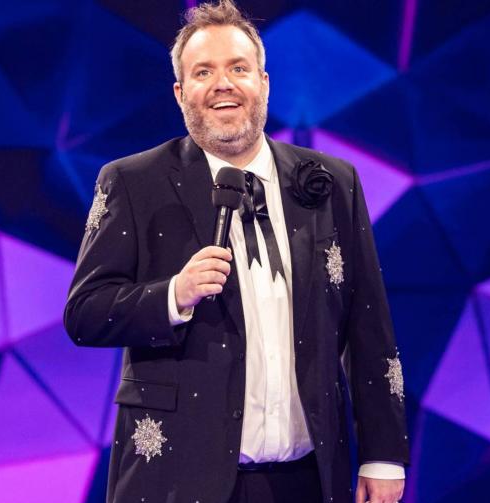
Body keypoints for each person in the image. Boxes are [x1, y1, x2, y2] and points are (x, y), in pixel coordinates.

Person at [64, 1, 409, 502]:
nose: (222, 84)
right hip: (177, 481)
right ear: (181, 93)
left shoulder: (332, 183)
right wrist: (173, 295)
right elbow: (85, 313)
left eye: (238, 68)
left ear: (263, 83)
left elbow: (368, 324)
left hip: (308, 480)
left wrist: (383, 454)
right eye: (204, 72)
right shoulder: (133, 182)